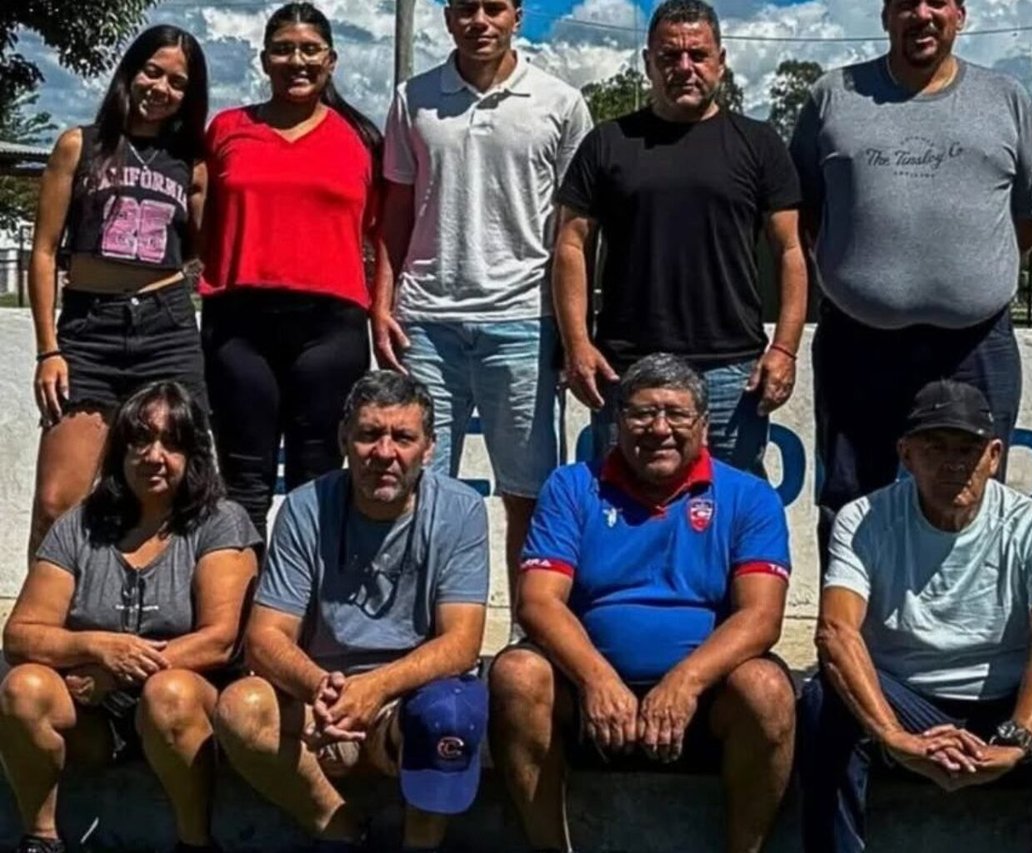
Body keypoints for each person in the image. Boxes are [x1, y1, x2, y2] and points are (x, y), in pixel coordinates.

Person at [491, 353, 794, 853]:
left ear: (704, 426)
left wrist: (685, 683)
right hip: (586, 691)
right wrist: (597, 680)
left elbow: (761, 617)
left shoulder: (750, 497)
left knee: (766, 688)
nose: (659, 429)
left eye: (676, 414)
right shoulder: (571, 487)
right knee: (516, 674)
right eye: (642, 413)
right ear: (617, 421)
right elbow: (538, 602)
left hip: (706, 696)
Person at [790, 0, 1032, 559]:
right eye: (906, 2)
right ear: (885, 15)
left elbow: (1031, 216)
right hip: (857, 341)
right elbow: (805, 210)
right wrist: (863, 275)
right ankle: (851, 617)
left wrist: (970, 272)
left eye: (937, 1)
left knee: (974, 500)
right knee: (850, 500)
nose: (922, 14)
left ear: (961, 14)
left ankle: (967, 618)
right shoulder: (832, 97)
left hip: (976, 344)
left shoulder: (1008, 98)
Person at [800, 380, 1032, 853]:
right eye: (935, 447)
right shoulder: (863, 519)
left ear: (994, 456)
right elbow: (836, 631)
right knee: (823, 700)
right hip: (902, 694)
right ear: (906, 454)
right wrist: (892, 736)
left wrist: (1017, 741)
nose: (953, 463)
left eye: (968, 449)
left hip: (1004, 699)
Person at [212, 372, 490, 853]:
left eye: (403, 437)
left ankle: (420, 846)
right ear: (344, 439)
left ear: (429, 448)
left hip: (407, 700)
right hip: (321, 697)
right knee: (240, 707)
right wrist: (322, 688)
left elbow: (462, 643)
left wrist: (376, 688)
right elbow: (266, 636)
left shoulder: (460, 510)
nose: (384, 453)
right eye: (369, 434)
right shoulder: (305, 508)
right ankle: (337, 828)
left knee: (449, 713)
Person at [379, 0, 592, 605]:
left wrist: (575, 331)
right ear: (448, 18)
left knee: (528, 495)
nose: (480, 21)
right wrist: (382, 301)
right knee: (419, 491)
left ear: (517, 16)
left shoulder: (560, 102)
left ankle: (530, 632)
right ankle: (424, 631)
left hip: (524, 321)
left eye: (494, 7)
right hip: (425, 323)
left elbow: (576, 231)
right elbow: (395, 211)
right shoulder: (412, 99)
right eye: (466, 8)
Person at [0, 382, 258, 853]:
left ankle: (194, 842)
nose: (153, 456)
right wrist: (97, 647)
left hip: (188, 710)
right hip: (94, 713)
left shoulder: (221, 521)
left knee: (168, 693)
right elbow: (20, 635)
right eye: (140, 440)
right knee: (23, 687)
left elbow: (220, 640)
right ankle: (41, 837)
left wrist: (116, 673)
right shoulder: (80, 524)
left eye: (171, 443)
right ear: (120, 450)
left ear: (193, 454)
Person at [554, 0, 806, 476]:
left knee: (730, 506)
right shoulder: (608, 142)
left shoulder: (759, 144)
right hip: (626, 368)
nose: (685, 67)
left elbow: (790, 250)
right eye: (670, 56)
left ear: (721, 61)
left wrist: (785, 348)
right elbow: (571, 245)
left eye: (698, 55)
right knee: (620, 506)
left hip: (732, 371)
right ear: (648, 62)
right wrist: (578, 344)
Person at [198, 2, 387, 540]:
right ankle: (240, 589)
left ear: (331, 60)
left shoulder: (362, 140)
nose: (296, 61)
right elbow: (199, 220)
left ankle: (306, 593)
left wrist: (382, 311)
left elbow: (382, 238)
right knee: (243, 484)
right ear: (263, 59)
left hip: (331, 328)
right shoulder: (227, 129)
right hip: (238, 326)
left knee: (318, 480)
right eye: (282, 50)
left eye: (309, 50)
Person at [25, 25, 210, 558]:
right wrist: (48, 350)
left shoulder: (192, 164)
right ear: (131, 71)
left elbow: (201, 247)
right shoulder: (79, 145)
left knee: (171, 491)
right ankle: (44, 610)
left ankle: (149, 599)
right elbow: (44, 251)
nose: (161, 88)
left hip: (166, 327)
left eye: (178, 81)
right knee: (58, 501)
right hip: (90, 330)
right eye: (153, 71)